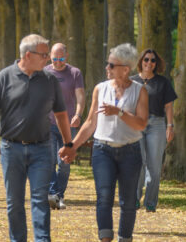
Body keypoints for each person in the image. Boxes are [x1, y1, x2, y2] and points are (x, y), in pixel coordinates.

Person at [0, 34, 72, 242]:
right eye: (43, 55)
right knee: (14, 202)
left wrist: (69, 144)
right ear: (27, 55)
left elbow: (61, 114)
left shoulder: (50, 80)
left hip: (42, 149)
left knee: (40, 199)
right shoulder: (5, 77)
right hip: (11, 148)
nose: (47, 59)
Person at [65, 43, 149, 242]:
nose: (107, 68)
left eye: (111, 65)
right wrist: (72, 146)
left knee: (128, 201)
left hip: (131, 151)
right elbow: (90, 122)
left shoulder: (140, 91)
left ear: (125, 69)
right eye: (107, 64)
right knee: (104, 197)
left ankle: (125, 238)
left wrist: (119, 112)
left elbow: (141, 124)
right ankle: (105, 238)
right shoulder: (100, 89)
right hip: (103, 150)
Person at [133, 48, 177, 213]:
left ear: (156, 64)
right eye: (146, 60)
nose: (149, 63)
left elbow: (169, 106)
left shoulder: (163, 82)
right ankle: (134, 199)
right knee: (138, 162)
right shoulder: (132, 81)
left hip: (157, 124)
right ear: (141, 62)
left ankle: (150, 202)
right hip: (136, 124)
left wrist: (170, 126)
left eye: (152, 60)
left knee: (154, 165)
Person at [44, 42, 85, 211]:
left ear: (66, 57)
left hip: (68, 125)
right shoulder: (44, 72)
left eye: (61, 59)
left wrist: (78, 114)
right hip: (47, 123)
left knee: (65, 163)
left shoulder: (74, 73)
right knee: (49, 160)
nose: (58, 62)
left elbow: (80, 97)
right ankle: (53, 194)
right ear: (50, 57)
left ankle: (59, 195)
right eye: (55, 59)